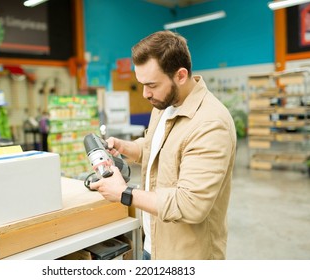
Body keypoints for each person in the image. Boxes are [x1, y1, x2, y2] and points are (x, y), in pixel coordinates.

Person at [90, 30, 237, 260]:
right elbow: (154, 147)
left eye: (152, 85)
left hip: (186, 255)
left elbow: (190, 204)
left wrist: (124, 193)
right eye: (141, 84)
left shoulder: (210, 123)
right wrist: (126, 147)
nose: (145, 94)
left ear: (180, 75)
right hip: (154, 241)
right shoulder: (164, 105)